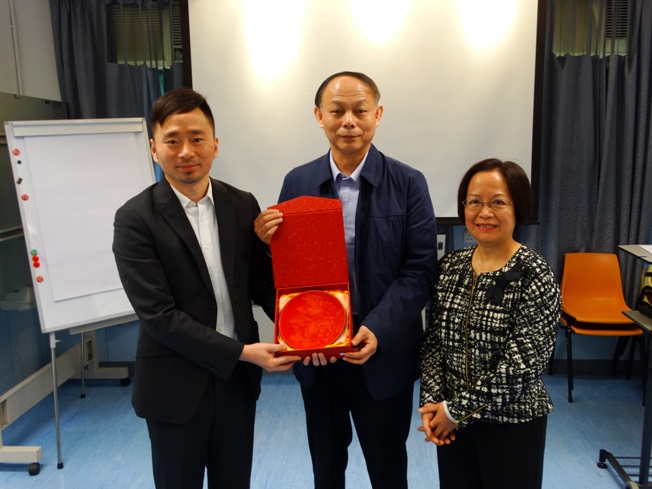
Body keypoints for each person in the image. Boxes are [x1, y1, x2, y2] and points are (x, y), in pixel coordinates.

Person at [255, 71, 437, 489]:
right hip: (320, 356)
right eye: (337, 111)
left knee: (388, 467)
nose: (349, 120)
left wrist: (378, 329)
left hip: (382, 350)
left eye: (360, 110)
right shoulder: (297, 182)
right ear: (319, 116)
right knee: (326, 466)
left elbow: (420, 270)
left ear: (378, 114)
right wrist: (268, 243)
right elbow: (292, 271)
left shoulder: (409, 183)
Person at [112, 87, 299, 489]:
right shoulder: (134, 219)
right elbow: (160, 317)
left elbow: (261, 285)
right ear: (153, 148)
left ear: (215, 144)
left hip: (237, 384)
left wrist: (306, 328)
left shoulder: (242, 204)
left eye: (197, 138)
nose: (186, 151)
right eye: (172, 140)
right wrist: (244, 353)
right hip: (174, 388)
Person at [418, 158, 561, 489]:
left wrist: (454, 411)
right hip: (451, 425)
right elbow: (434, 343)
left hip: (512, 423)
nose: (484, 213)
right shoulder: (450, 267)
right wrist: (432, 404)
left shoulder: (534, 273)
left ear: (518, 207)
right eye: (474, 202)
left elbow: (523, 366)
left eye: (497, 202)